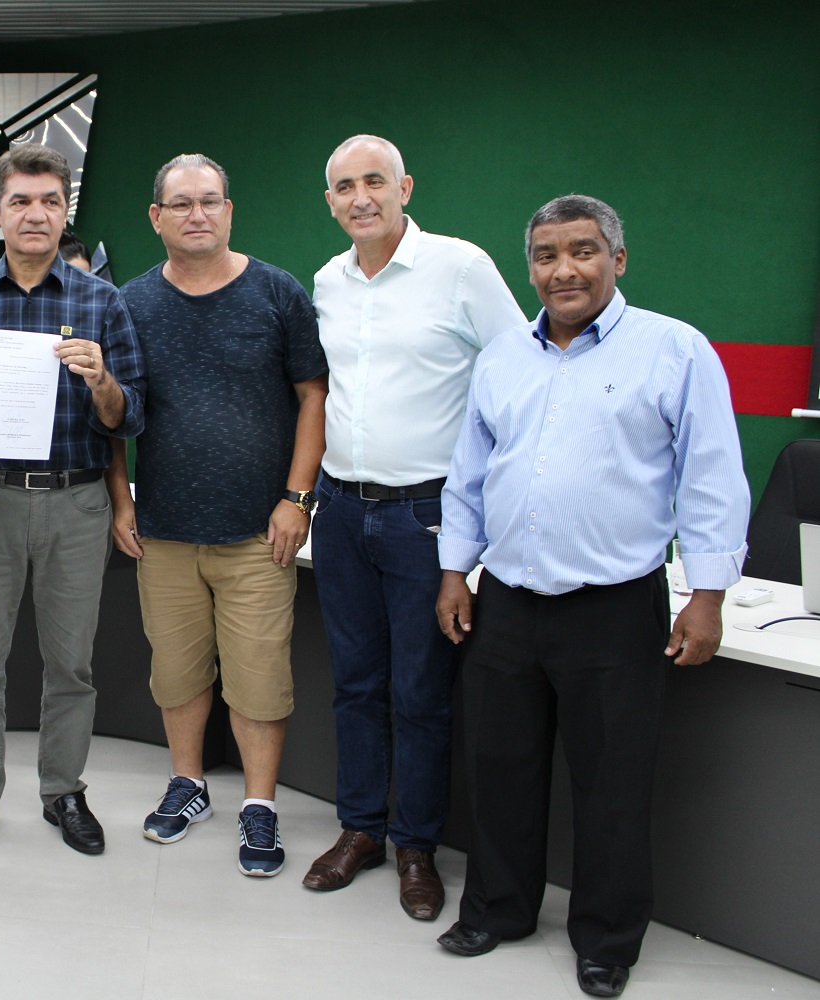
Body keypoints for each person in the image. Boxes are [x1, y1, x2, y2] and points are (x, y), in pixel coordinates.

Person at [433, 195, 749, 998]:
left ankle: (607, 939)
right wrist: (455, 571)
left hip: (613, 607)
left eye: (582, 251)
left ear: (618, 259)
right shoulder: (503, 356)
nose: (563, 270)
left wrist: (707, 593)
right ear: (530, 267)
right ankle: (499, 910)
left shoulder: (674, 350)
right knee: (499, 768)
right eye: (546, 255)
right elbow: (470, 474)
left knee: (612, 784)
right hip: (507, 600)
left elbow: (711, 475)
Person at [305, 134, 526, 919]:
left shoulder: (460, 267)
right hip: (340, 510)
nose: (360, 197)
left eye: (375, 181)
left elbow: (520, 376)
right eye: (344, 186)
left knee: (421, 692)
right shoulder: (327, 281)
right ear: (329, 202)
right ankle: (361, 829)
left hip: (427, 516)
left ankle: (416, 846)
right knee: (356, 685)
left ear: (404, 188)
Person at [0, 142, 145, 861]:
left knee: (71, 665)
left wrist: (102, 381)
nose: (35, 214)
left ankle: (63, 792)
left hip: (75, 503)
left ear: (64, 211)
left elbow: (129, 417)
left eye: (50, 201)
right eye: (20, 201)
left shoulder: (101, 302)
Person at [106, 154, 327, 876]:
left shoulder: (277, 292)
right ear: (156, 217)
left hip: (259, 533)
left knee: (260, 679)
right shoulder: (132, 303)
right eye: (181, 203)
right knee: (176, 673)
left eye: (209, 201)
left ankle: (259, 806)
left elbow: (314, 396)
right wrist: (121, 500)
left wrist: (297, 498)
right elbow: (111, 413)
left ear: (229, 211)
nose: (196, 214)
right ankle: (188, 784)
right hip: (164, 532)